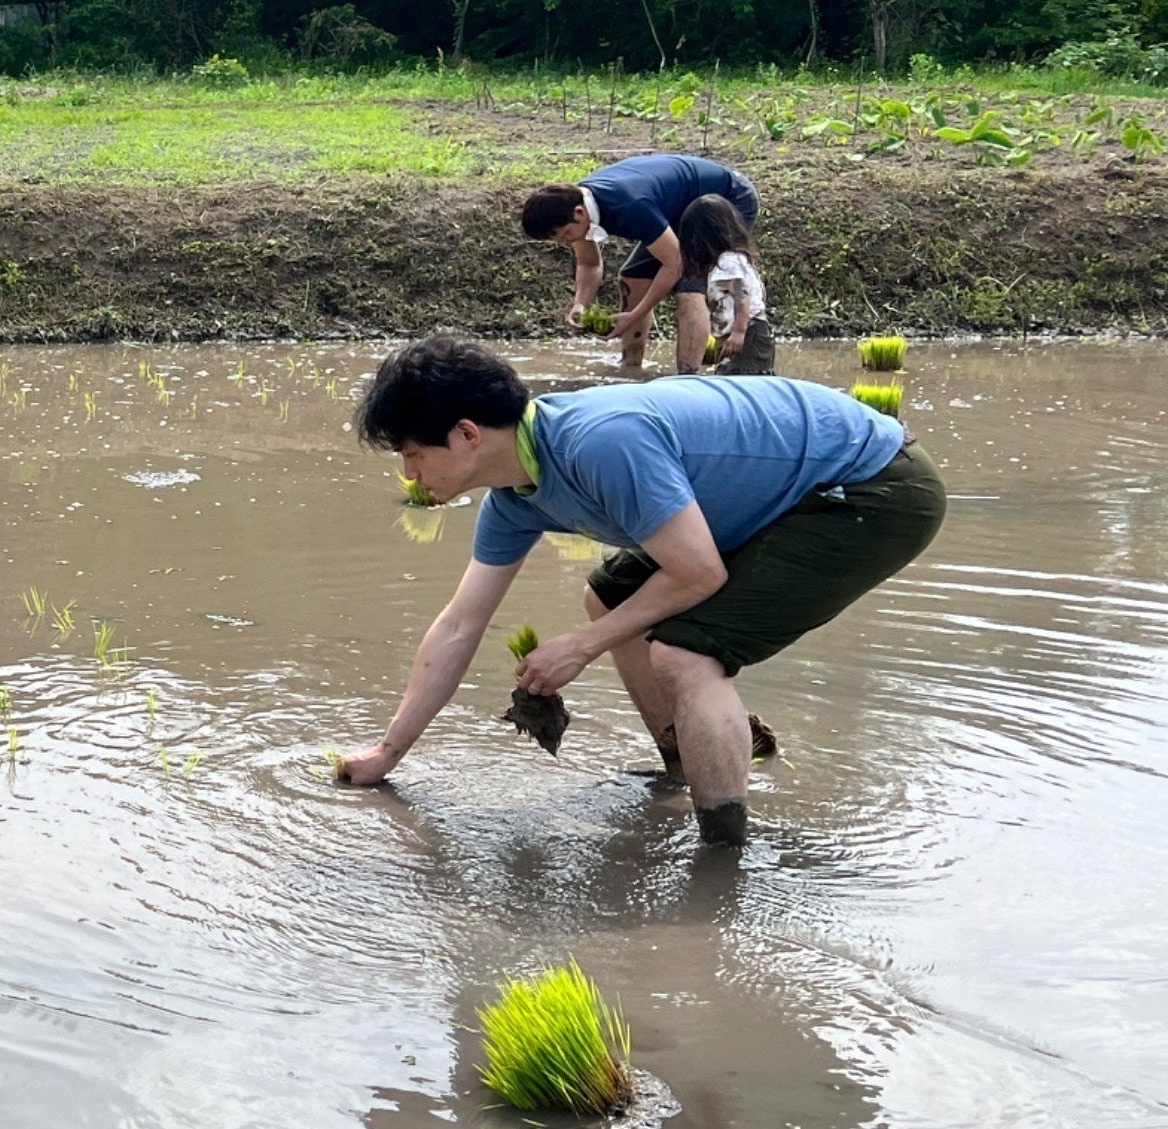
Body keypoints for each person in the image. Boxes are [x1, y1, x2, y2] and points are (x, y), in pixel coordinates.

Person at [334, 335, 944, 844]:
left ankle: (722, 853)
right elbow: (459, 625)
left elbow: (700, 574)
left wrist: (581, 647)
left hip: (870, 486)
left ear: (468, 434)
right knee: (610, 600)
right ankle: (684, 765)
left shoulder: (601, 442)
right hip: (771, 500)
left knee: (684, 654)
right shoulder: (515, 499)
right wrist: (387, 755)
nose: (410, 474)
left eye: (414, 454)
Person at [520, 152, 758, 375]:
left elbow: (674, 264)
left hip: (726, 199)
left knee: (689, 286)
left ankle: (689, 377)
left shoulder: (629, 206)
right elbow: (589, 264)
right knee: (633, 276)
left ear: (580, 213)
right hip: (675, 209)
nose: (563, 242)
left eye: (563, 235)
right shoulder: (570, 209)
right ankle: (631, 366)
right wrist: (580, 305)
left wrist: (634, 315)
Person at [677, 194, 772, 376]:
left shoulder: (728, 262)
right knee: (731, 376)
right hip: (742, 331)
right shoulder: (730, 261)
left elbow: (742, 295)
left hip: (748, 332)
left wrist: (738, 333)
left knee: (743, 378)